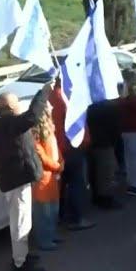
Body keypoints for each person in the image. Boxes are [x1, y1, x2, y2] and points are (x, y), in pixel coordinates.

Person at [0, 84, 53, 271]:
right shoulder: (7, 123)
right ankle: (20, 264)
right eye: (16, 105)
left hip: (13, 180)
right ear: (10, 108)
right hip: (16, 180)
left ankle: (21, 255)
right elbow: (32, 116)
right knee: (20, 222)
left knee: (21, 220)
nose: (18, 108)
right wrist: (44, 92)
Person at [48, 78, 95, 231]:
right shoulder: (68, 99)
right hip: (72, 147)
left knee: (61, 185)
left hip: (56, 149)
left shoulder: (49, 97)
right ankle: (77, 218)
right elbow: (78, 125)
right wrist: (86, 141)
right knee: (77, 183)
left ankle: (61, 216)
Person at [31, 103, 64, 251]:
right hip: (43, 177)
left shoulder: (50, 129)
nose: (52, 108)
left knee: (53, 208)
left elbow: (56, 149)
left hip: (53, 175)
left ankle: (51, 234)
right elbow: (40, 155)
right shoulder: (35, 132)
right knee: (43, 211)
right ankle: (44, 239)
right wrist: (57, 166)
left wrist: (61, 161)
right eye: (49, 107)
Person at [86, 98, 123, 210]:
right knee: (106, 172)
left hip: (92, 142)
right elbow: (116, 127)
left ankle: (96, 196)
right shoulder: (112, 107)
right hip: (106, 143)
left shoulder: (90, 106)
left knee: (94, 170)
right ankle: (106, 199)